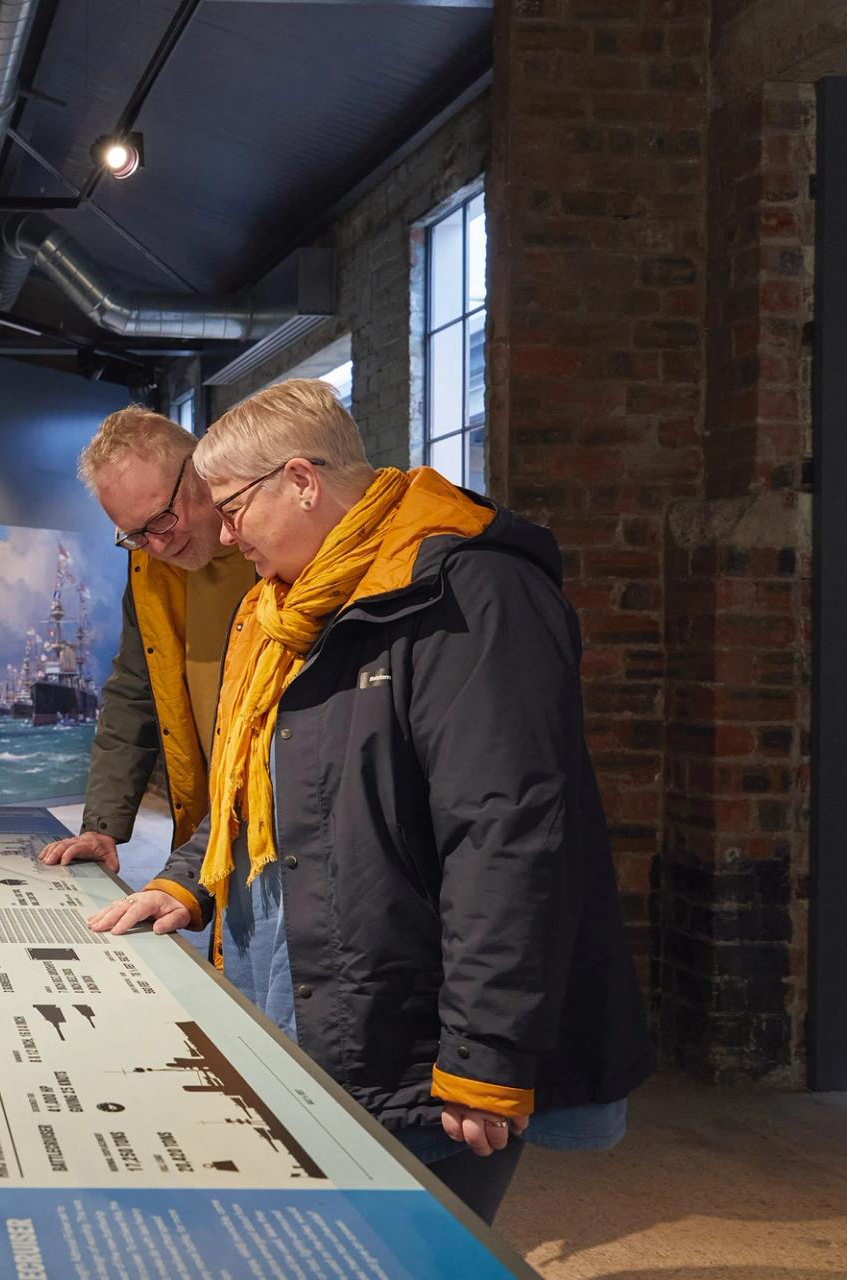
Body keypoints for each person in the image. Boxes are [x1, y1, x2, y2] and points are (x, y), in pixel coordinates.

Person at [76, 379, 654, 1223]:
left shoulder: (469, 592)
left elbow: (505, 834)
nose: (226, 535)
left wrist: (485, 1046)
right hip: (307, 973)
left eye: (231, 508)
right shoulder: (282, 609)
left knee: (409, 1241)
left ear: (301, 482)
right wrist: (188, 877)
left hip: (407, 1010)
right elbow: (263, 781)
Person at [37, 407, 252, 894]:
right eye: (135, 534)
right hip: (210, 829)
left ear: (199, 467)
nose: (157, 545)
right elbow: (134, 692)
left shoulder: (277, 549)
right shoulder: (150, 570)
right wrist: (102, 825)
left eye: (160, 520)